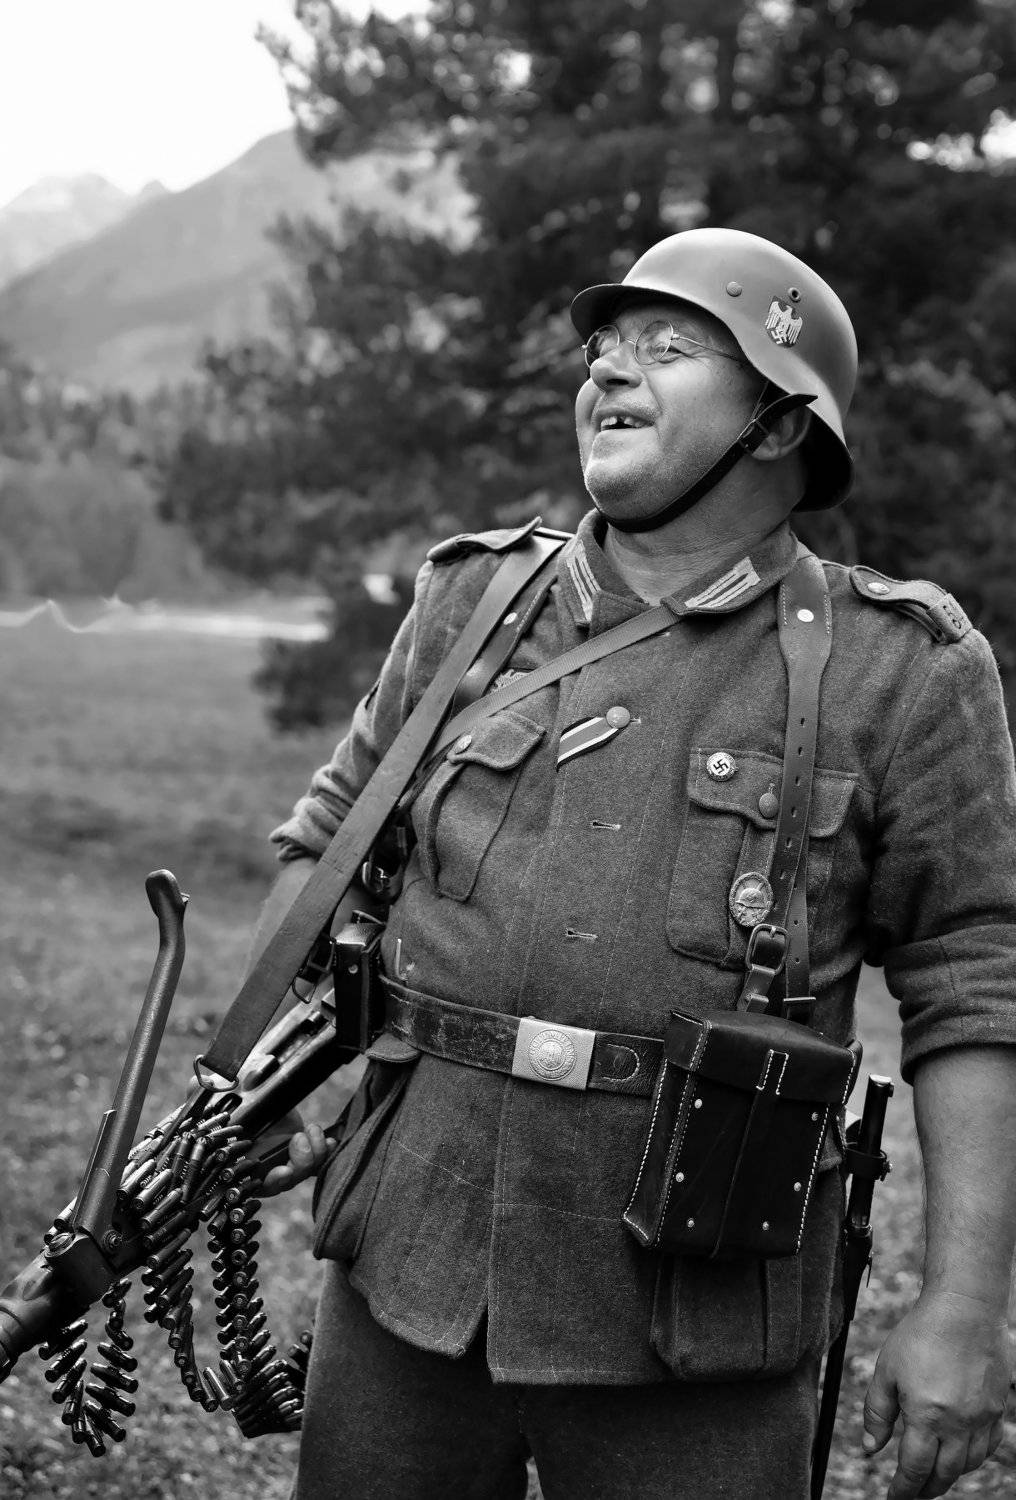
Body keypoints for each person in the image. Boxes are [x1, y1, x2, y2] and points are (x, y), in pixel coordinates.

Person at [255, 228, 1016, 1500]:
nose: (606, 371)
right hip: (410, 1259)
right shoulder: (468, 605)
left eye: (667, 349)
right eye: (604, 347)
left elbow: (974, 984)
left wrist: (962, 1306)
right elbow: (326, 848)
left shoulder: (902, 669)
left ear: (778, 426)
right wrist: (262, 1077)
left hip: (696, 1306)